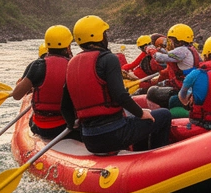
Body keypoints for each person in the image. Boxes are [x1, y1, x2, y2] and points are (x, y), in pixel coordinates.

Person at [61, 15, 171, 153]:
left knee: (137, 121)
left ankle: (138, 153)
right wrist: (141, 113)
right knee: (164, 115)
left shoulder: (71, 64)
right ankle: (155, 156)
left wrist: (72, 125)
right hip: (114, 134)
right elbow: (120, 95)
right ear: (99, 36)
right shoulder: (109, 59)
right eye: (104, 33)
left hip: (89, 138)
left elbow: (65, 106)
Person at [12, 25, 75, 140]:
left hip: (41, 128)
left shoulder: (38, 66)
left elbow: (16, 95)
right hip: (66, 127)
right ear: (68, 46)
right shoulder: (73, 66)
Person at [153, 23, 202, 88]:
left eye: (172, 40)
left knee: (153, 90)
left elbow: (161, 58)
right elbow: (171, 54)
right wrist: (162, 50)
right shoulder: (191, 49)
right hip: (191, 80)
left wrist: (154, 53)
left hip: (184, 83)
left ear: (179, 41)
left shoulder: (181, 50)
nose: (170, 43)